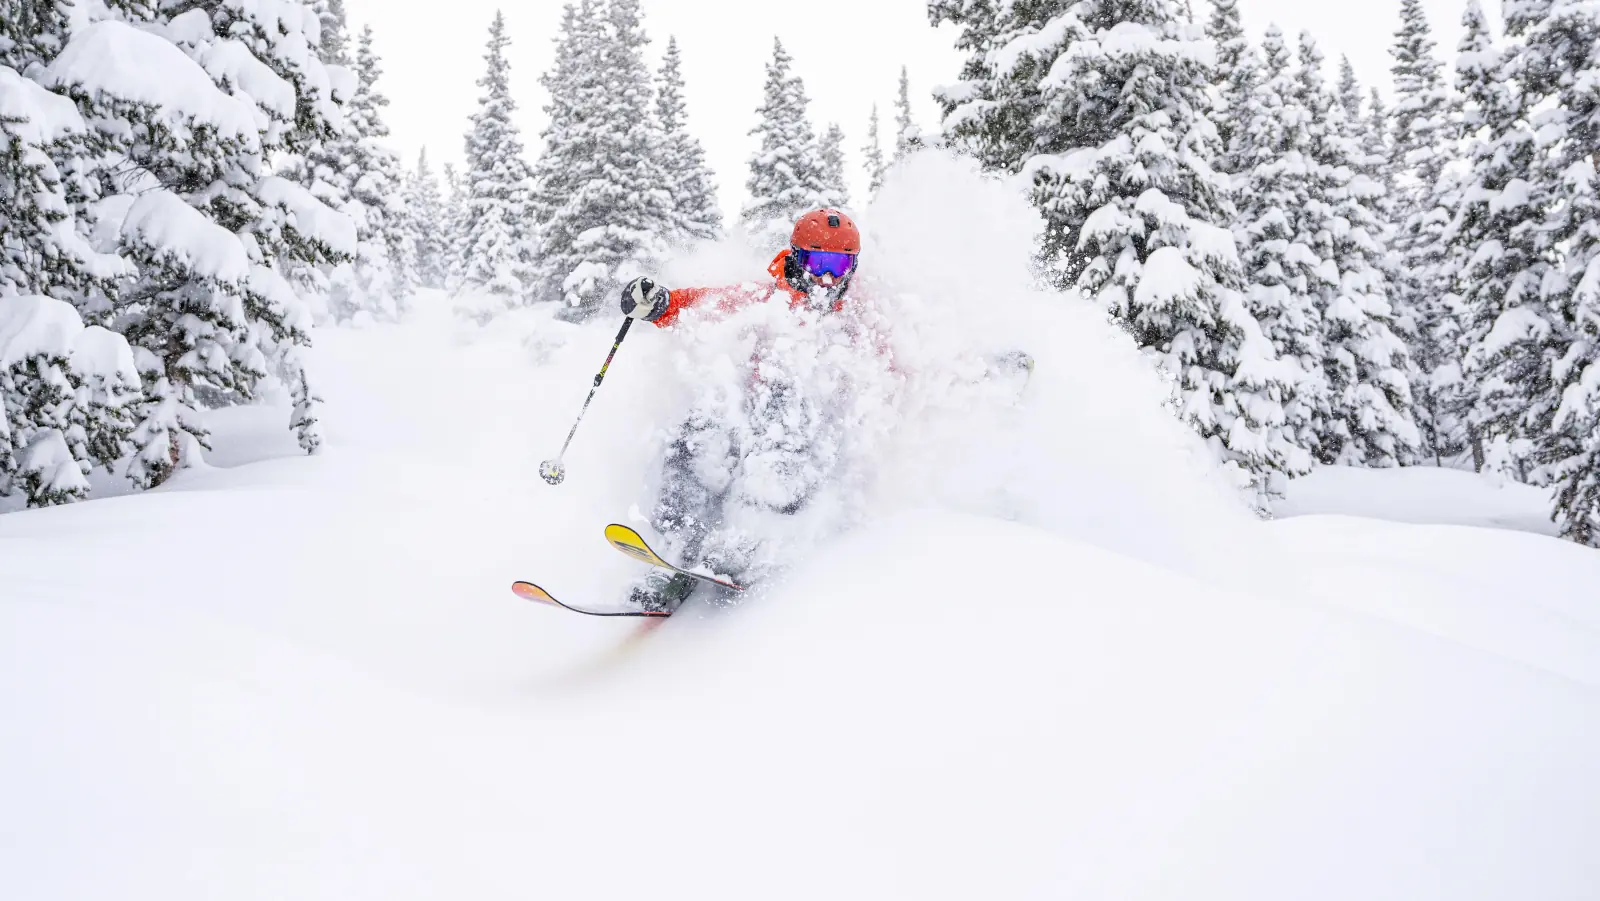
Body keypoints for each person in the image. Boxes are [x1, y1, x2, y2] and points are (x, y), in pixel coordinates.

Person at [615, 209, 866, 611]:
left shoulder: (858, 324)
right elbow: (700, 306)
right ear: (798, 258)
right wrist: (659, 304)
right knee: (700, 433)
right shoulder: (762, 300)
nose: (827, 280)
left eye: (839, 266)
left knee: (787, 406)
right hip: (745, 424)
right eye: (819, 263)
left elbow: (894, 378)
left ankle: (748, 542)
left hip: (809, 443)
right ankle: (673, 548)